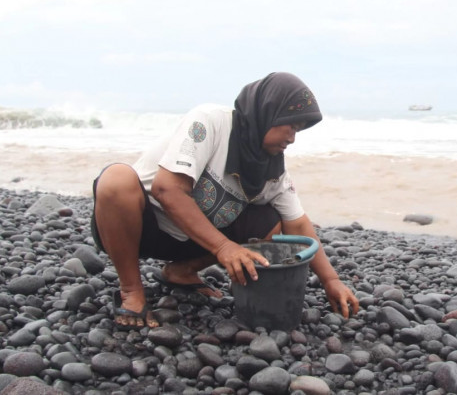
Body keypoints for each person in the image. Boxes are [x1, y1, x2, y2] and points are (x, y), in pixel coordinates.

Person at [91, 72, 359, 329]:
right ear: (267, 111)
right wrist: (223, 247)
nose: (292, 138)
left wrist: (331, 280)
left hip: (192, 243)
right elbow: (166, 189)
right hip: (138, 229)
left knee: (270, 222)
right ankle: (131, 291)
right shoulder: (209, 123)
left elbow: (298, 225)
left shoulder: (274, 172)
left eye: (298, 130)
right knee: (116, 179)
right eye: (290, 125)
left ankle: (181, 271)